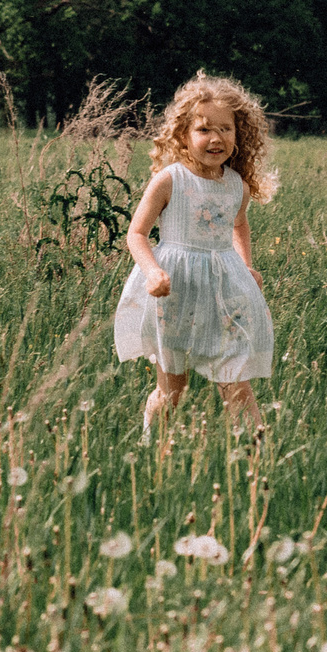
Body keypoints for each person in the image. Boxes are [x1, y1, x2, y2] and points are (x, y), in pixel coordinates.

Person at [114, 74, 277, 435]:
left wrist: (247, 265)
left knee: (236, 380)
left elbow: (239, 226)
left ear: (239, 135)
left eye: (226, 129)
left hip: (223, 291)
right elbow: (136, 234)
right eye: (204, 129)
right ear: (183, 134)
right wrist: (152, 271)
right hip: (174, 291)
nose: (216, 138)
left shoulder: (236, 186)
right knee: (173, 388)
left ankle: (256, 454)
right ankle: (152, 445)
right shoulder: (170, 180)